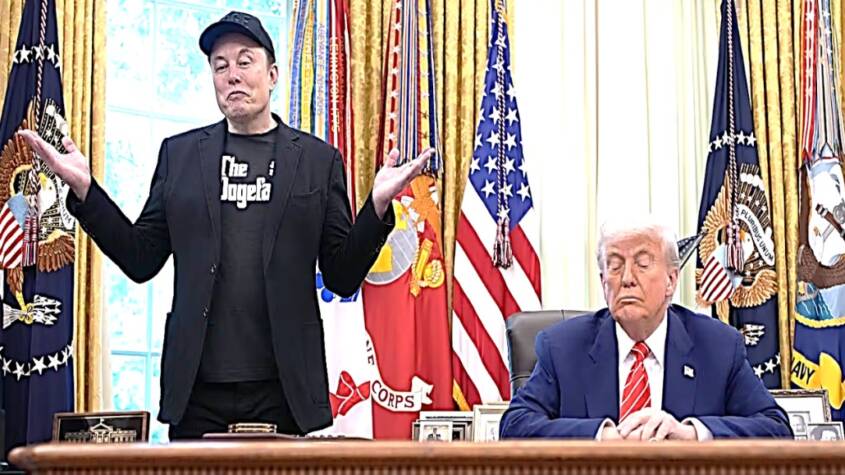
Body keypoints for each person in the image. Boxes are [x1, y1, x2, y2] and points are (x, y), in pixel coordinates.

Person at [18, 11, 433, 440]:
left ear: (272, 75)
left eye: (245, 61)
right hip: (197, 390)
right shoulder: (179, 156)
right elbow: (141, 258)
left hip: (284, 388)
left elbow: (341, 276)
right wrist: (86, 191)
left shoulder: (316, 161)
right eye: (220, 66)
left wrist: (377, 207)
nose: (232, 74)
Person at [499, 217, 793, 440]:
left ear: (671, 280)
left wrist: (690, 433)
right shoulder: (563, 347)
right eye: (614, 266)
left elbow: (775, 427)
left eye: (642, 264)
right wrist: (601, 436)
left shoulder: (718, 346)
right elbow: (515, 425)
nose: (627, 278)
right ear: (603, 281)